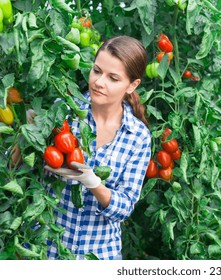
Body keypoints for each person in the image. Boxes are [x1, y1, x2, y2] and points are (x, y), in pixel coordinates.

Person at [44, 36, 151, 260]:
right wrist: (28, 133)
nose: (99, 82)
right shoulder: (63, 112)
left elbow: (126, 206)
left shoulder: (138, 136)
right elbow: (16, 167)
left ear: (132, 85)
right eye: (96, 70)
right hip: (47, 249)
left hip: (100, 254)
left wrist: (93, 183)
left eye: (113, 78)